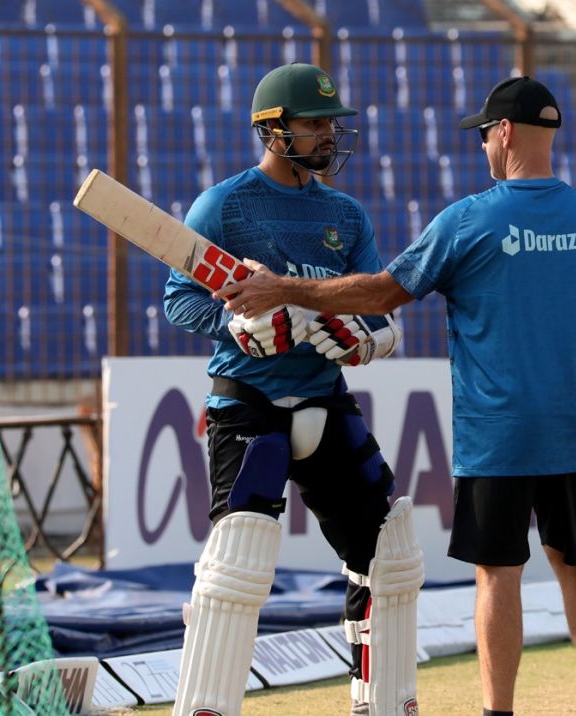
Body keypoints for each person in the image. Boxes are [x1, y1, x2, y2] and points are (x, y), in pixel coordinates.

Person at [215, 76, 576, 716]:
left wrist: (285, 290)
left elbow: (382, 294)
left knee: (499, 571)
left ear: (504, 133)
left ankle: (497, 712)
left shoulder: (469, 220)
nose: (484, 146)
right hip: (573, 426)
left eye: (485, 134)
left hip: (497, 433)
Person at [163, 62, 424, 716]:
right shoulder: (224, 205)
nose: (328, 134)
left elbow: (371, 300)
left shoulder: (344, 214)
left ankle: (383, 705)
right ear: (273, 130)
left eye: (332, 122)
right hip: (246, 401)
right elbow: (178, 300)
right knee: (238, 563)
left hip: (325, 397)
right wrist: (233, 325)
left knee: (389, 557)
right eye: (314, 123)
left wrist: (368, 337)